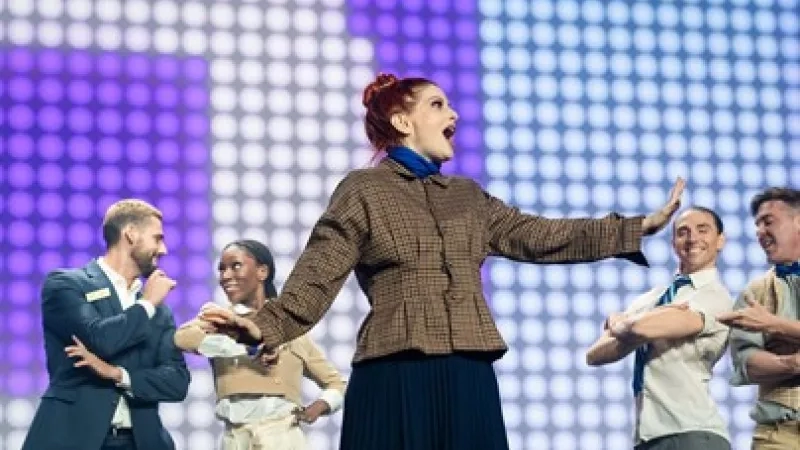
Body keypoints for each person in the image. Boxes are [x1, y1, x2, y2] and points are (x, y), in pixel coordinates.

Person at [202, 73, 686, 450]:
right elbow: (318, 274)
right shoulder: (364, 189)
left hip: (466, 371)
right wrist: (264, 327)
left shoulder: (468, 197)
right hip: (396, 370)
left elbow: (541, 235)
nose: (452, 113)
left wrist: (634, 227)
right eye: (437, 104)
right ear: (402, 121)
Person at [22, 199, 190, 450]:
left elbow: (177, 382)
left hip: (141, 441)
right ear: (131, 234)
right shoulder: (66, 285)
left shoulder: (159, 309)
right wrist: (146, 305)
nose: (163, 249)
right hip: (73, 438)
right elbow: (100, 339)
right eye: (157, 238)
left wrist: (119, 375)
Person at [173, 239, 346, 450]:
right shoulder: (219, 319)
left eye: (235, 266)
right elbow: (182, 338)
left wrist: (320, 407)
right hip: (234, 437)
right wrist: (249, 345)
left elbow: (336, 383)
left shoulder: (289, 327)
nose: (226, 276)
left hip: (282, 436)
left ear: (262, 271)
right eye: (221, 270)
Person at [586, 207, 733, 450]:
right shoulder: (652, 298)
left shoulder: (715, 296)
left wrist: (621, 323)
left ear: (720, 241)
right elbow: (594, 354)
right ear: (674, 243)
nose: (692, 238)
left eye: (702, 230)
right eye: (682, 232)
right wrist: (642, 325)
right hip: (647, 438)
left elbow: (640, 329)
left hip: (692, 434)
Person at [717, 187, 800, 450]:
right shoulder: (755, 293)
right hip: (778, 433)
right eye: (757, 224)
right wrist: (792, 362)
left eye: (768, 221)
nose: (759, 231)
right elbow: (747, 363)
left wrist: (774, 325)